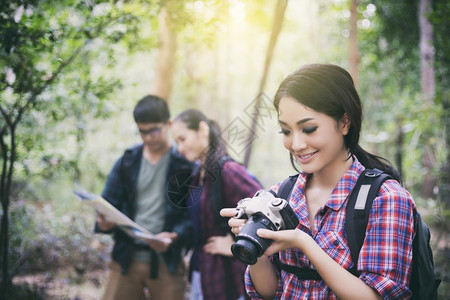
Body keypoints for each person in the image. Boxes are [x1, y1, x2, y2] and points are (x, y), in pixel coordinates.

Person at [221, 64, 417, 299]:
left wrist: (305, 244)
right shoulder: (279, 196)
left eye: (309, 129)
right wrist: (255, 245)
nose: (296, 144)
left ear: (345, 123)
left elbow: (378, 297)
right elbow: (268, 292)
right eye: (286, 131)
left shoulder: (386, 199)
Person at [96, 95, 193, 300]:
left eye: (154, 130)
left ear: (168, 124)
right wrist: (103, 222)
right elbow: (108, 201)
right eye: (142, 131)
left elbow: (194, 215)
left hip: (168, 262)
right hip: (126, 259)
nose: (148, 137)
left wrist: (174, 236)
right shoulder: (128, 160)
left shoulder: (184, 164)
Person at [170, 109, 263, 300]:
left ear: (202, 130)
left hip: (226, 278)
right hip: (201, 272)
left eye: (182, 139)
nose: (179, 148)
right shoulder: (198, 173)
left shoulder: (228, 170)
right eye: (176, 142)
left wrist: (235, 242)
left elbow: (264, 207)